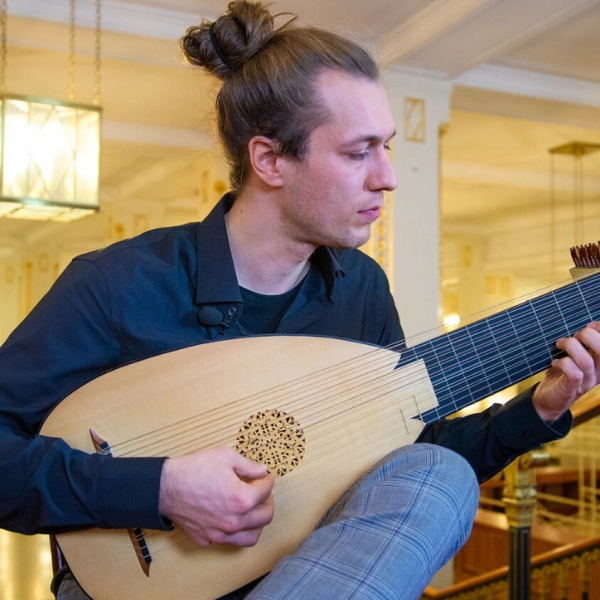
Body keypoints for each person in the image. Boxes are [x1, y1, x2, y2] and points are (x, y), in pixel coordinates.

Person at [1, 2, 599, 599]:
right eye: (359, 151)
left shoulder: (361, 289)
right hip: (135, 587)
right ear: (269, 159)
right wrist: (157, 489)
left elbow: (403, 458)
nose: (387, 176)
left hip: (311, 577)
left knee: (437, 475)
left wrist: (539, 410)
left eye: (387, 146)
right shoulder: (118, 284)